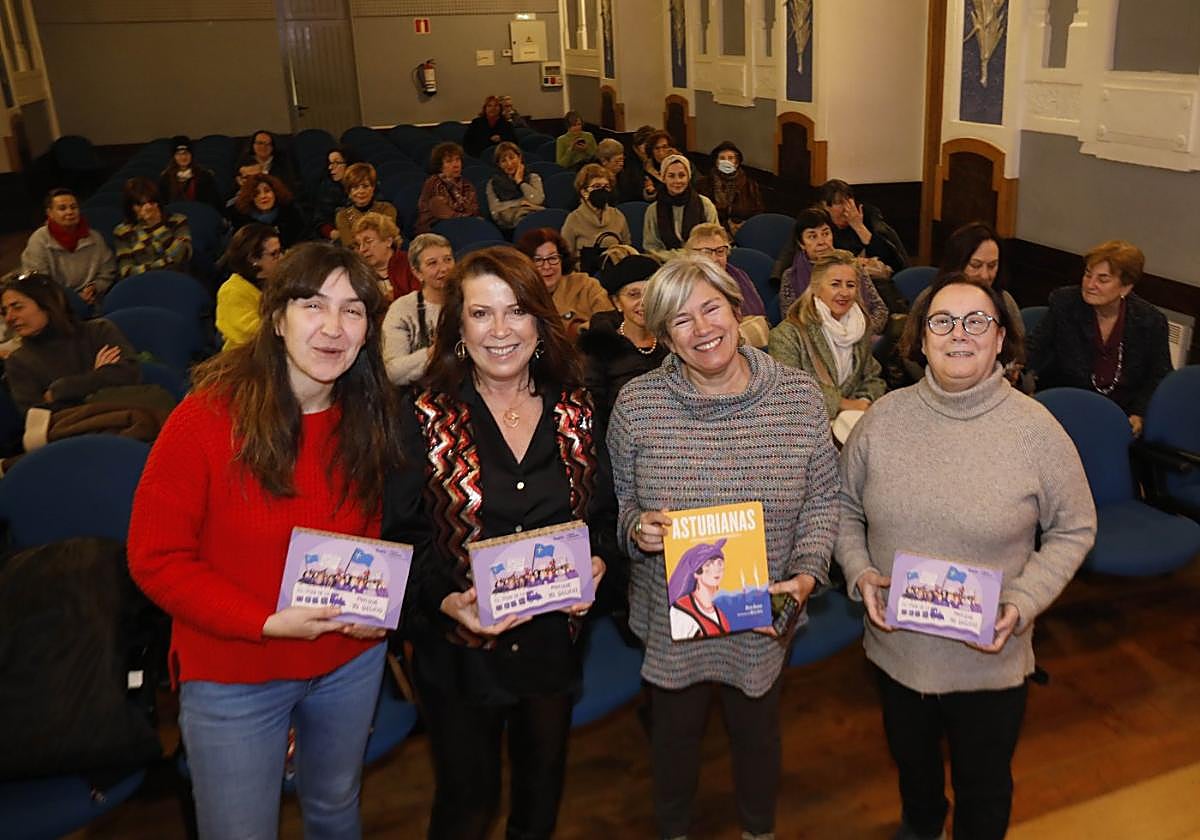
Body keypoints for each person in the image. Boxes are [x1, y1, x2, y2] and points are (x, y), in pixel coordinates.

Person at [128, 243, 402, 840]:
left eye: (353, 310)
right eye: (313, 305)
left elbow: (374, 528)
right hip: (235, 671)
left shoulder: (371, 413)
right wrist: (265, 622)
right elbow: (155, 558)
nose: (333, 327)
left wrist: (378, 604)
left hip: (348, 660)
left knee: (335, 808)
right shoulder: (204, 418)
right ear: (277, 318)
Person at [837, 273, 1096, 840]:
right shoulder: (883, 419)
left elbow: (1075, 527)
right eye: (942, 322)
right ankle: (923, 823)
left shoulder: (1037, 431)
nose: (959, 333)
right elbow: (842, 506)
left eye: (976, 321)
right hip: (898, 651)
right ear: (921, 339)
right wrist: (859, 571)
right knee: (915, 772)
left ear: (1001, 338)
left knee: (983, 787)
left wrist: (1023, 601)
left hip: (988, 661)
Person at [380, 245, 614, 840]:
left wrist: (599, 562)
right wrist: (442, 598)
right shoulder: (421, 416)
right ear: (459, 327)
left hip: (551, 646)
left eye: (517, 311)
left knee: (539, 803)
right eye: (482, 313)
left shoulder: (578, 409)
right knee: (465, 807)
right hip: (458, 655)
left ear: (540, 319)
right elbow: (400, 536)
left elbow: (604, 517)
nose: (501, 330)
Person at [608, 255, 839, 840]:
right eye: (680, 320)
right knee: (673, 738)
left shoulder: (798, 397)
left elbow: (822, 500)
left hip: (763, 604)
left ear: (737, 311)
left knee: (757, 733)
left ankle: (758, 830)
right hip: (671, 617)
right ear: (665, 337)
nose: (702, 328)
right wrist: (637, 530)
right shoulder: (637, 405)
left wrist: (806, 575)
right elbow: (620, 506)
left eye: (711, 308)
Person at [1026, 240, 1171, 436]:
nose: (1090, 285)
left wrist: (1139, 413)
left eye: (1103, 280)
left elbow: (1159, 375)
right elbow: (1034, 349)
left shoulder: (1150, 321)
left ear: (1125, 287)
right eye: (1088, 275)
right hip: (1064, 408)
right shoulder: (1065, 303)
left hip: (1120, 416)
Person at [768, 250, 886, 440]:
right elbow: (789, 392)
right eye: (835, 284)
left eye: (850, 285)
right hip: (806, 435)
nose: (844, 292)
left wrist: (864, 401)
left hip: (853, 429)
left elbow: (873, 377)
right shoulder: (787, 335)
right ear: (816, 287)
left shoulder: (859, 327)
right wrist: (843, 404)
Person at [903, 222, 1025, 384]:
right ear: (957, 264)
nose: (984, 275)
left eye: (992, 266)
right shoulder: (930, 299)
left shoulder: (1005, 301)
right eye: (975, 265)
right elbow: (910, 353)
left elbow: (1017, 352)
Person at [1, 271, 139, 414]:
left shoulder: (98, 331)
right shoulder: (18, 361)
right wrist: (97, 377)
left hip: (125, 415)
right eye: (4, 312)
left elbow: (129, 374)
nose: (9, 318)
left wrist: (60, 390)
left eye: (17, 307)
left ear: (47, 304)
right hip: (75, 426)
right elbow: (37, 415)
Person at [577, 252, 667, 440]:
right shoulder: (601, 346)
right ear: (617, 303)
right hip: (618, 441)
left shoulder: (672, 340)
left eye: (651, 293)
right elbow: (594, 412)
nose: (644, 302)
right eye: (633, 294)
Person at [774, 206, 889, 334]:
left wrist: (861, 332)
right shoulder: (791, 276)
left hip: (860, 335)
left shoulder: (852, 267)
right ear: (801, 243)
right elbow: (790, 320)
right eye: (812, 236)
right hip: (812, 341)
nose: (821, 242)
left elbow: (880, 309)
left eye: (826, 233)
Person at [381, 233, 454, 386]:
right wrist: (432, 353)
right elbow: (392, 372)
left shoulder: (471, 301)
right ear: (417, 273)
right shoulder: (402, 309)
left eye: (448, 259)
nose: (444, 268)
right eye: (432, 263)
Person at [21, 188, 116, 305]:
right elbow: (39, 282)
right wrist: (72, 299)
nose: (70, 212)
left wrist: (95, 288)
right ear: (50, 213)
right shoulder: (39, 240)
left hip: (92, 299)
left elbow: (108, 270)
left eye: (73, 207)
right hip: (55, 303)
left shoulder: (95, 238)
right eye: (62, 208)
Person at [684, 222, 769, 348]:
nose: (714, 259)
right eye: (706, 252)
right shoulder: (682, 285)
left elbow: (760, 318)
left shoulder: (738, 276)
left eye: (720, 251)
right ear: (691, 255)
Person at [516, 228, 613, 336]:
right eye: (538, 260)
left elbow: (610, 320)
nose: (547, 266)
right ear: (525, 264)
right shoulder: (519, 295)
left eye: (553, 258)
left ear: (562, 259)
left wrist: (581, 330)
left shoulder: (586, 285)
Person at [216, 223, 283, 350]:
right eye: (274, 254)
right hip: (247, 356)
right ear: (253, 259)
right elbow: (250, 334)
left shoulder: (279, 280)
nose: (281, 258)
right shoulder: (232, 291)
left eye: (280, 251)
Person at [643, 154, 719, 261]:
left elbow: (715, 241)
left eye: (682, 175)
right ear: (663, 178)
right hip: (665, 264)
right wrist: (680, 258)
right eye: (671, 176)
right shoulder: (653, 210)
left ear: (689, 177)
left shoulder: (705, 204)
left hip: (701, 262)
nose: (677, 181)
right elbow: (651, 248)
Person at [113, 177, 193, 278]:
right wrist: (164, 263)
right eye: (140, 204)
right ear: (131, 207)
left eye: (151, 202)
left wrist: (157, 226)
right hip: (143, 282)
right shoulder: (123, 231)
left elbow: (183, 256)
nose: (148, 208)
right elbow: (126, 271)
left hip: (176, 278)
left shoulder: (177, 220)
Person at [558, 163, 630, 268]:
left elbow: (627, 247)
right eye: (597, 186)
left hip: (616, 269)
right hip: (584, 272)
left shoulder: (618, 215)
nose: (602, 190)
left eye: (606, 187)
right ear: (584, 192)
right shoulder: (573, 219)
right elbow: (566, 257)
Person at [696, 140, 764, 235]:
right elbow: (701, 213)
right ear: (716, 162)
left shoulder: (750, 185)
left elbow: (758, 212)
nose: (726, 162)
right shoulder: (703, 184)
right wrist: (726, 226)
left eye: (730, 158)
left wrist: (745, 226)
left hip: (745, 231)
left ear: (736, 163)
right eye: (722, 158)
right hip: (713, 232)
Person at [668, 540, 731, 638]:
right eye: (708, 564)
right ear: (697, 572)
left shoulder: (721, 614)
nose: (716, 569)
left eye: (719, 563)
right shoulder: (681, 611)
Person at [229, 172, 309, 248]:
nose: (263, 196)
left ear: (275, 192)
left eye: (267, 191)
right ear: (250, 198)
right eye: (256, 193)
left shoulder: (292, 214)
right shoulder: (242, 223)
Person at [352, 212, 418, 303]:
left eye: (369, 241)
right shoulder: (360, 273)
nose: (362, 249)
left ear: (388, 241)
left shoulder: (410, 263)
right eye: (359, 244)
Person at [416, 142, 480, 234]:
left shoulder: (467, 184)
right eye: (449, 161)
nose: (456, 165)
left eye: (457, 160)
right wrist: (467, 215)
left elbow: (474, 209)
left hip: (462, 224)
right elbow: (444, 213)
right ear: (440, 166)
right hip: (435, 228)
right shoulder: (434, 183)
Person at [485, 141, 545, 232]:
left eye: (512, 158)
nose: (509, 164)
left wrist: (520, 182)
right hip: (509, 228)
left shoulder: (533, 177)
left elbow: (538, 200)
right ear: (499, 164)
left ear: (519, 157)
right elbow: (495, 212)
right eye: (503, 161)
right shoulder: (493, 183)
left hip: (536, 219)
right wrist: (522, 202)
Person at [334, 163, 398, 245]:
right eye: (355, 187)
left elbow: (387, 238)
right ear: (349, 192)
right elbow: (350, 245)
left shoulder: (387, 209)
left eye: (365, 186)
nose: (361, 191)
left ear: (373, 188)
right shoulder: (343, 216)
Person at [158, 136, 223, 212]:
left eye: (186, 153)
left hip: (199, 214)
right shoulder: (166, 179)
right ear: (174, 157)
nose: (183, 157)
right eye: (178, 154)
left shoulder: (204, 176)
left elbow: (214, 202)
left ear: (191, 155)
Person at [314, 146, 358, 241]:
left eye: (336, 163)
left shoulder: (365, 185)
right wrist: (332, 233)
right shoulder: (327, 188)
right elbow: (320, 220)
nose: (330, 167)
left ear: (349, 164)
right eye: (330, 163)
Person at [238, 129, 297, 193]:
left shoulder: (282, 162)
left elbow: (289, 186)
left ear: (273, 147)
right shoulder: (244, 162)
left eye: (268, 144)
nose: (263, 146)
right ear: (253, 145)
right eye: (260, 143)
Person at [639, 130, 675, 201]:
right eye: (657, 148)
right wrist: (651, 192)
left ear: (671, 148)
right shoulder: (646, 170)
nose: (661, 152)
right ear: (651, 151)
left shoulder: (682, 165)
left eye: (664, 147)